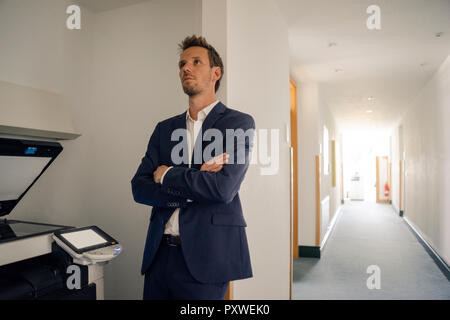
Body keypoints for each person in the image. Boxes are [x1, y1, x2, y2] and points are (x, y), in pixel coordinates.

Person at [131, 35, 254, 300]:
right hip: (159, 257)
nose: (186, 68)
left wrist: (167, 175)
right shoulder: (165, 129)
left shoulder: (238, 124)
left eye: (196, 62)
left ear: (215, 73)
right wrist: (195, 185)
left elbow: (223, 189)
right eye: (182, 64)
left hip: (207, 260)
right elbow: (139, 188)